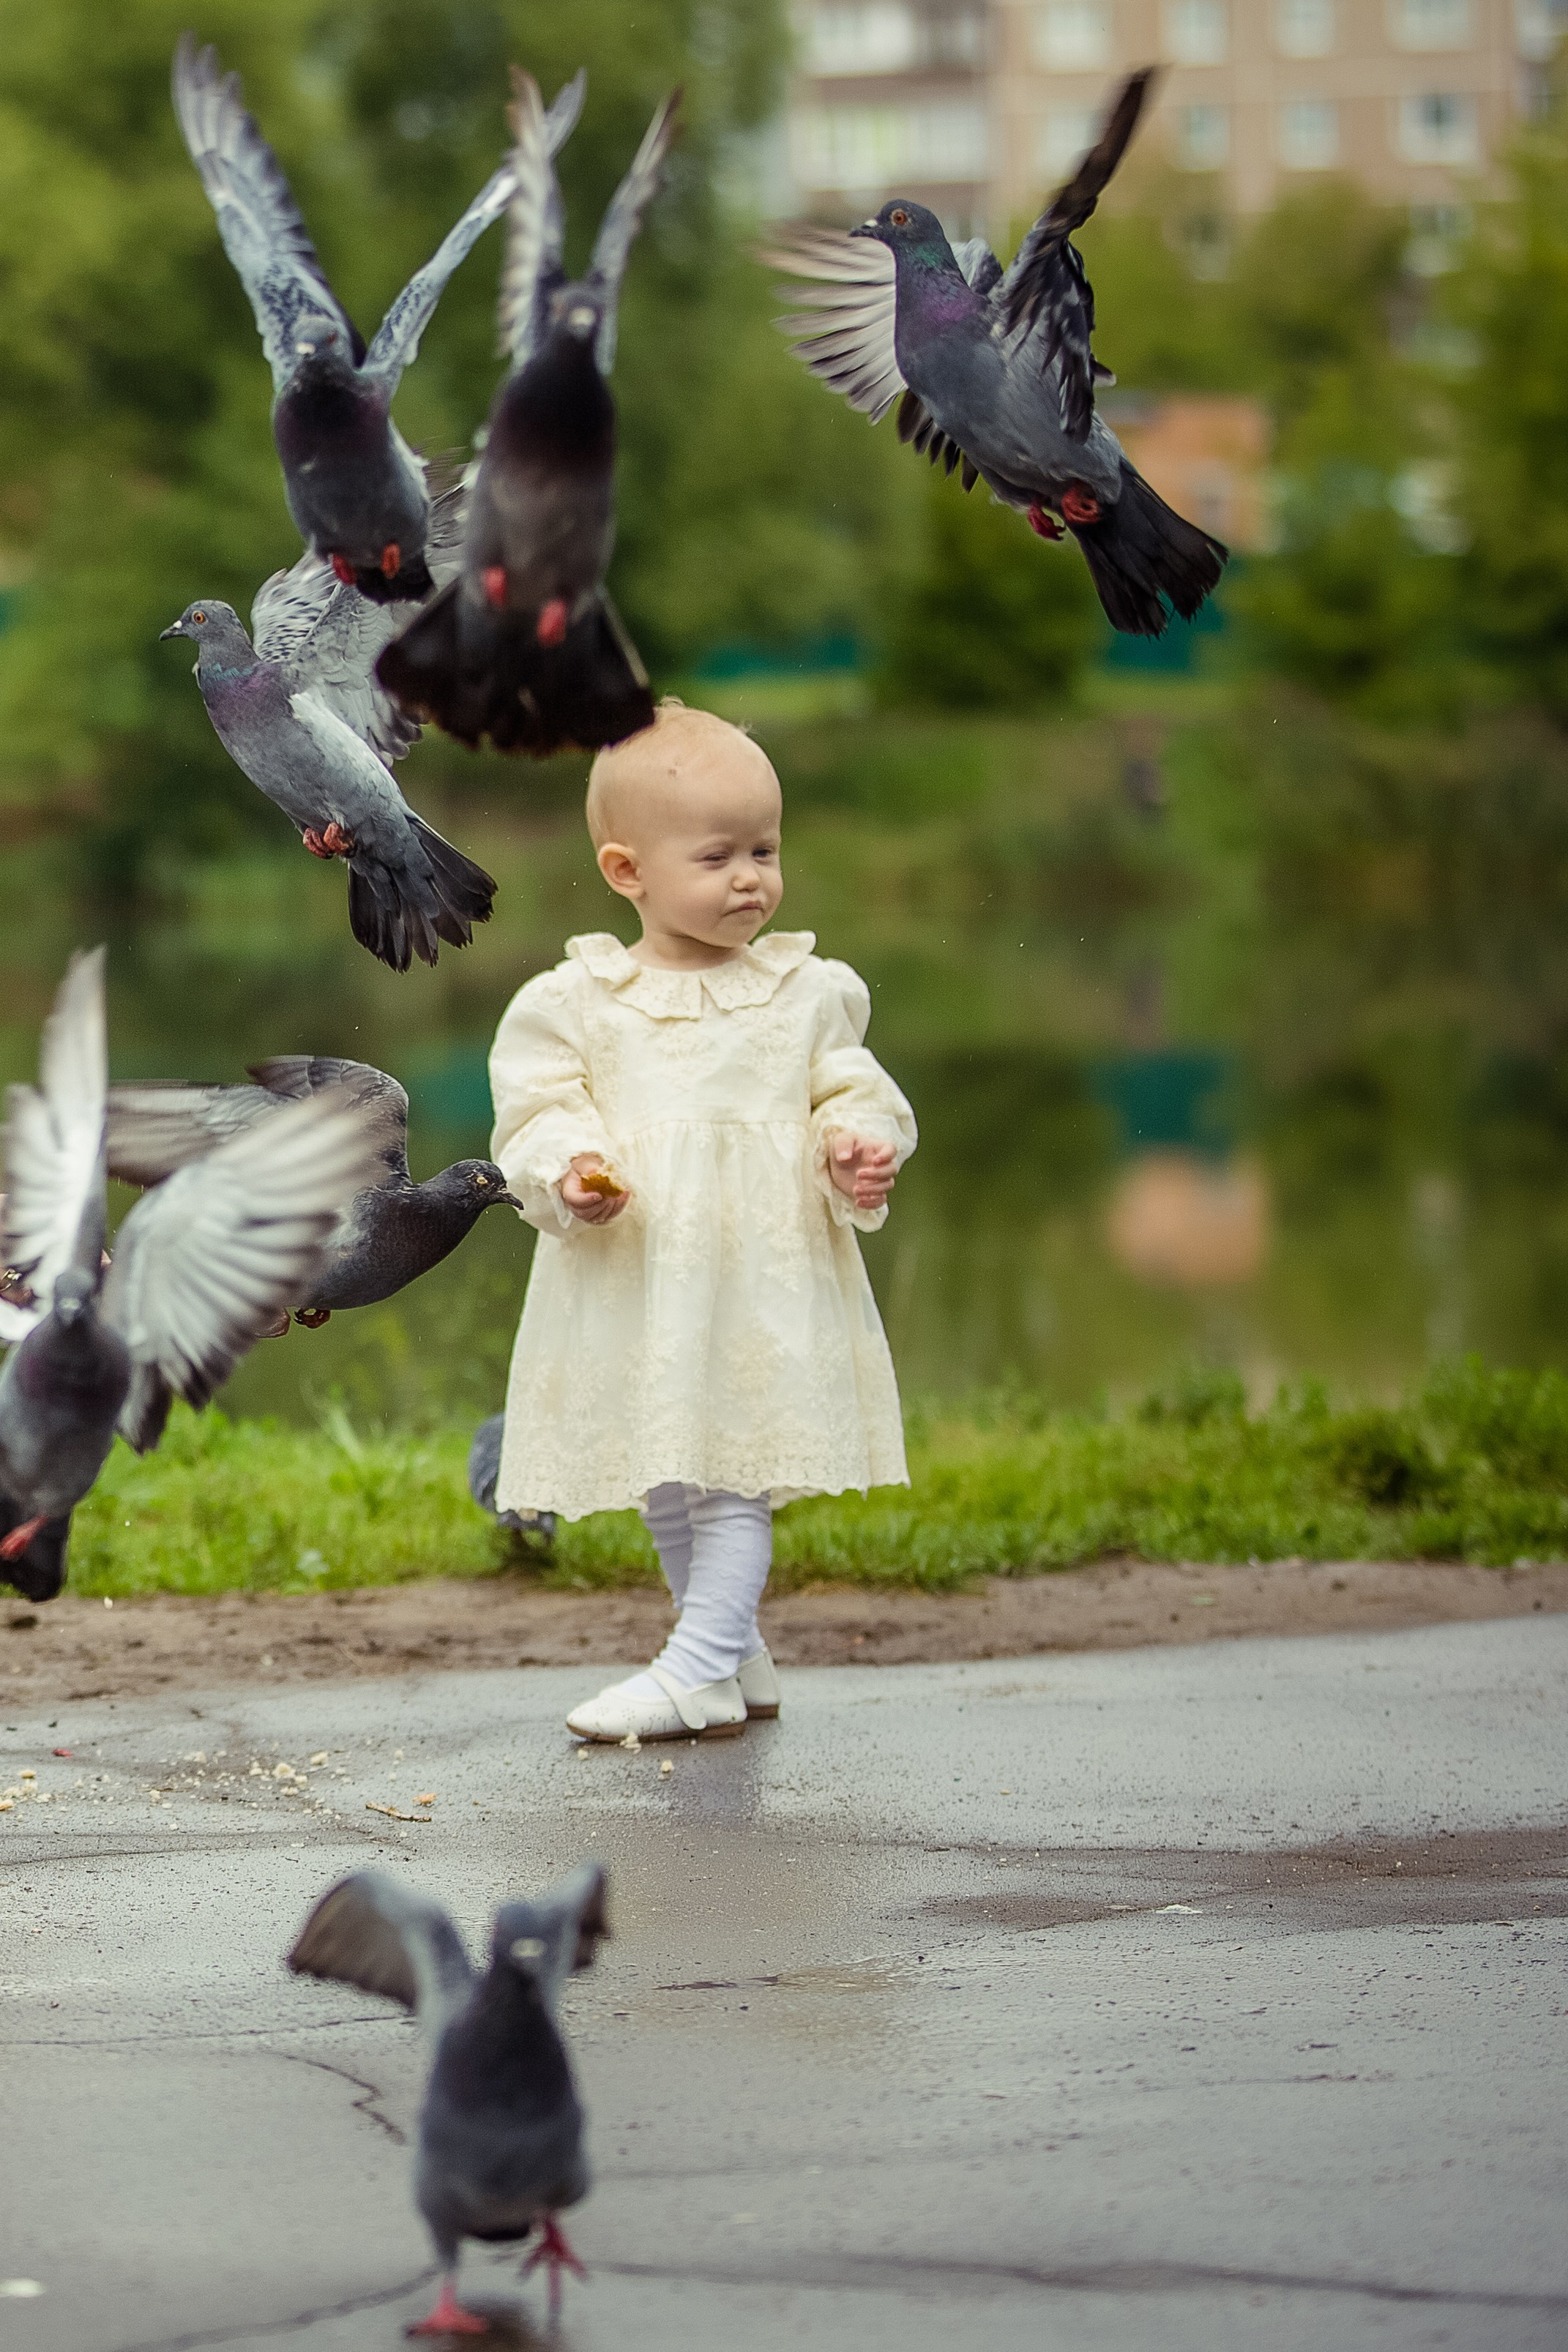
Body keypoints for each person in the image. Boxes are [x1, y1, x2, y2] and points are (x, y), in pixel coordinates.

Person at [488, 701, 916, 1741]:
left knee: (730, 1467)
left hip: (753, 1277)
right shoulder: (578, 997)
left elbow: (847, 1089)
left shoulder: (804, 990)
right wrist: (573, 1169)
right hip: (638, 1272)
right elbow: (539, 1110)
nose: (750, 878)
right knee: (668, 1465)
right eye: (717, 854)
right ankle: (727, 1647)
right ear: (627, 871)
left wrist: (856, 1140)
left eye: (764, 850)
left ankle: (699, 1662)